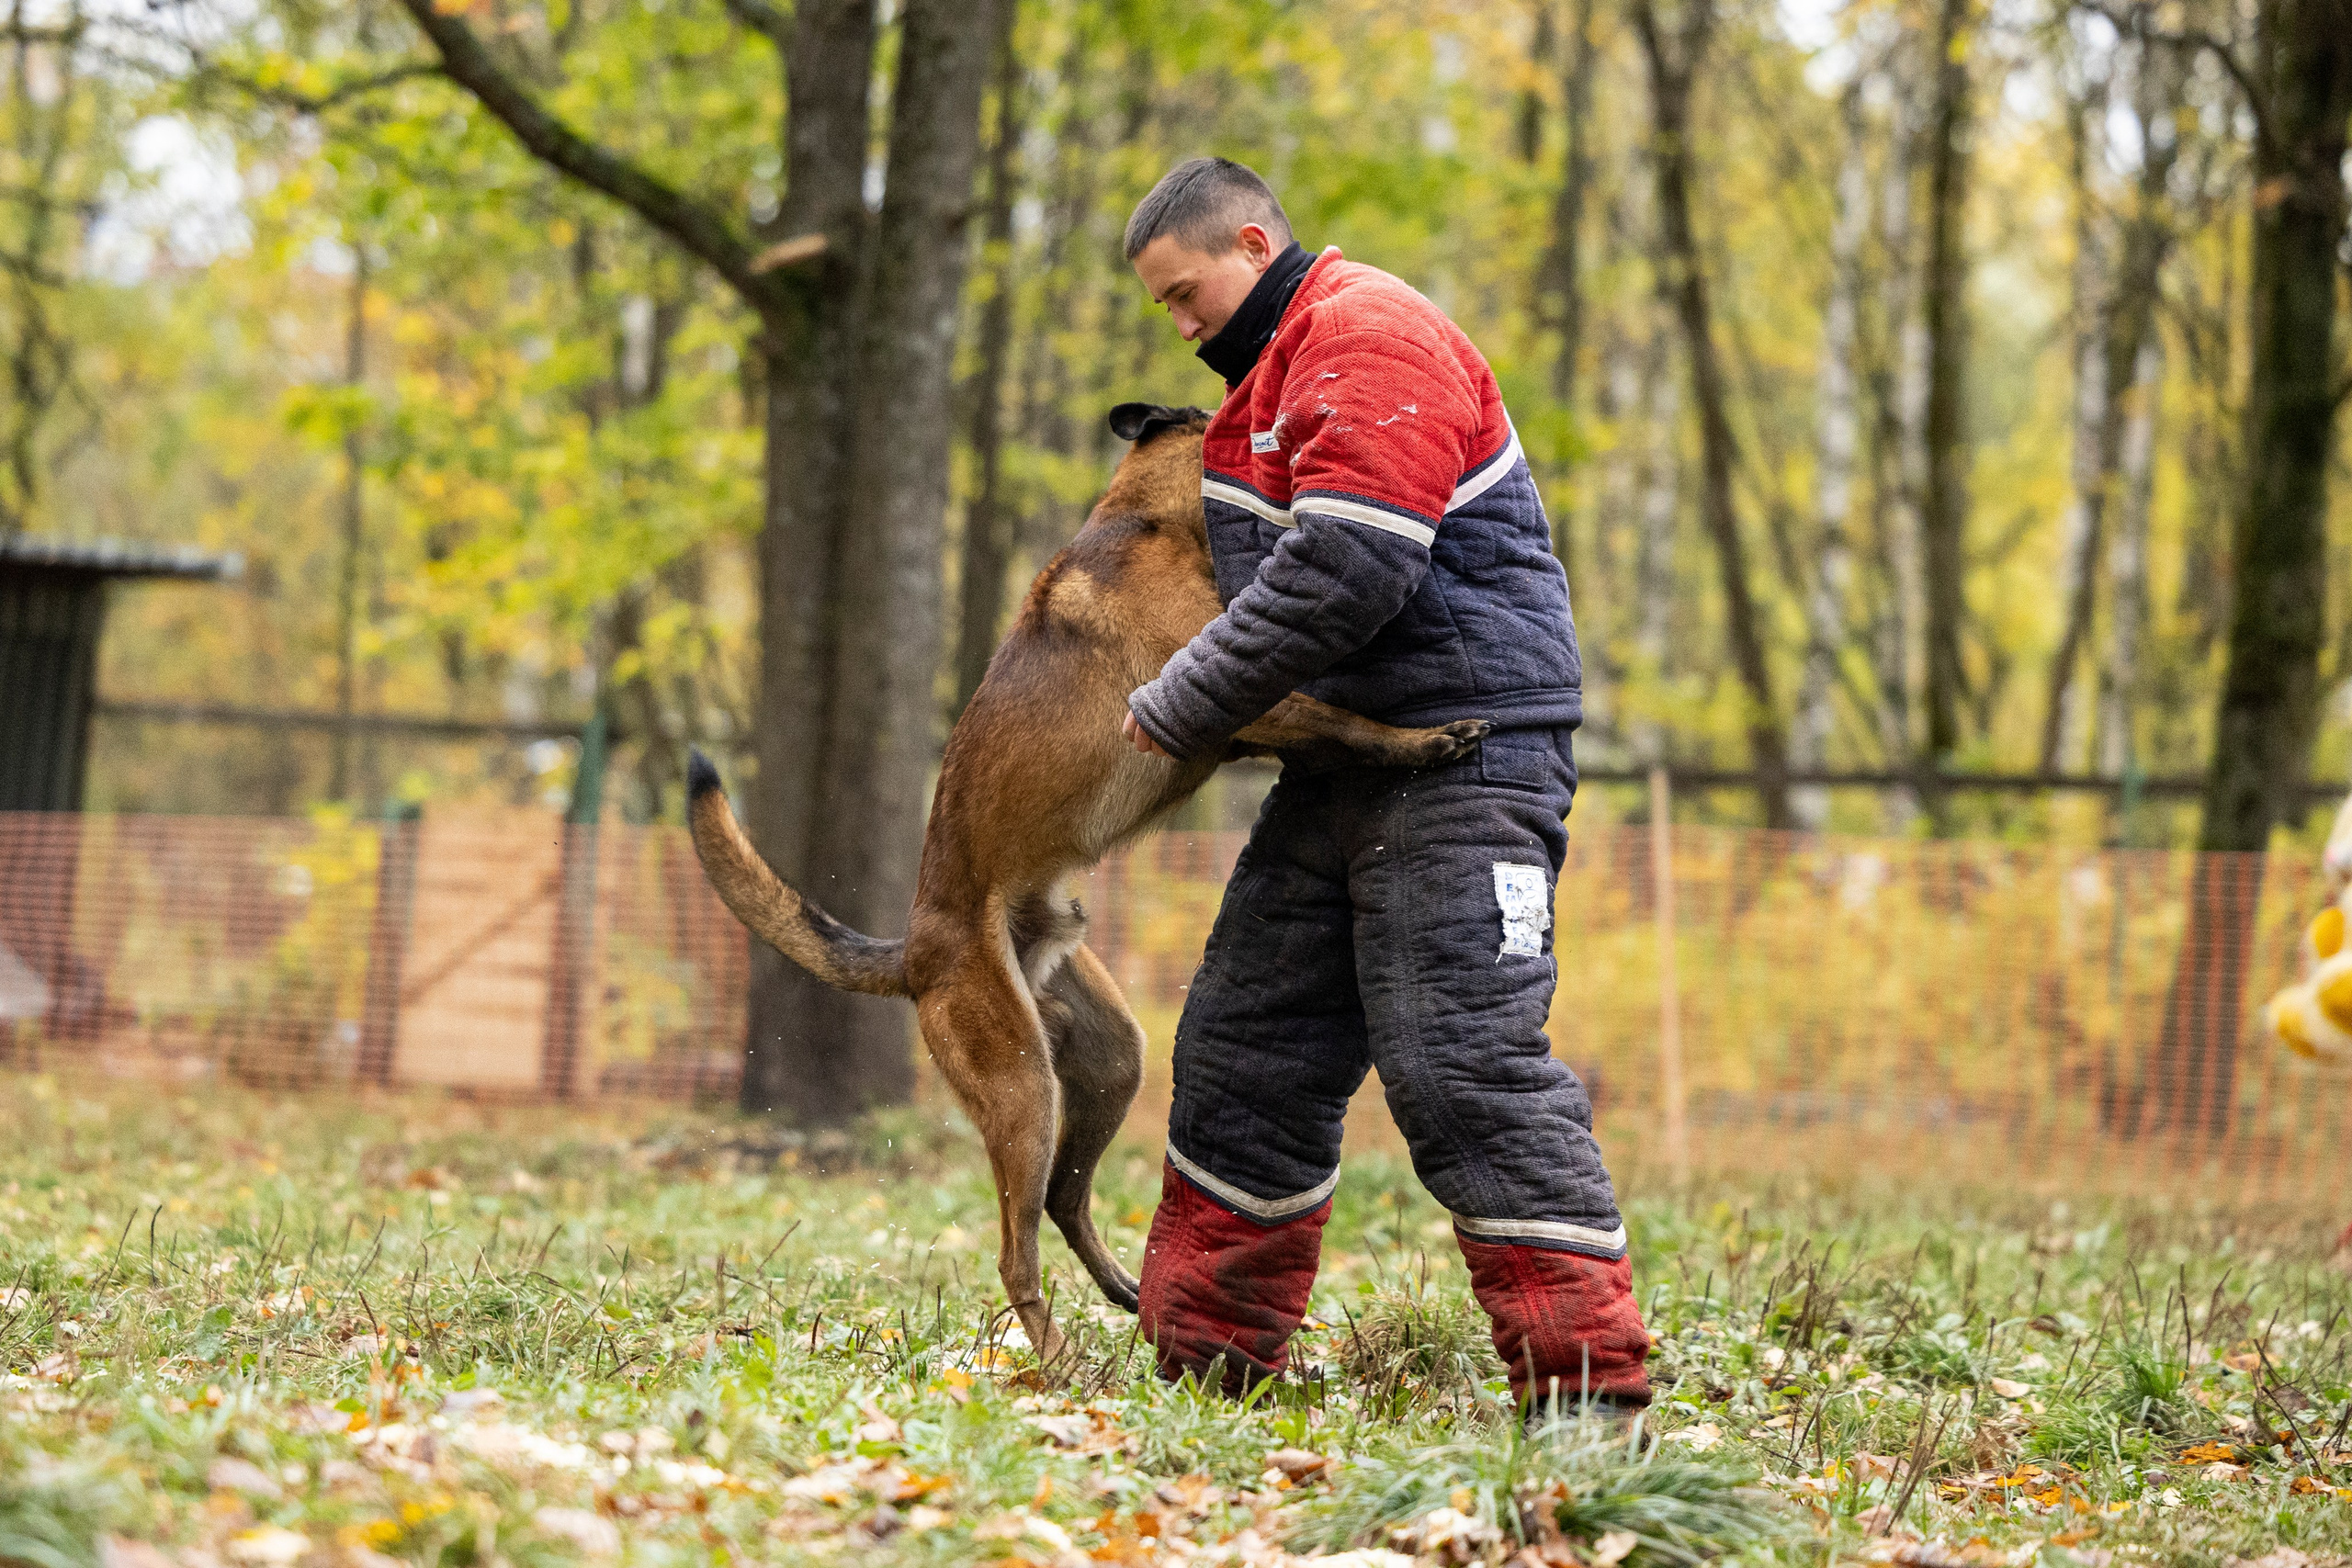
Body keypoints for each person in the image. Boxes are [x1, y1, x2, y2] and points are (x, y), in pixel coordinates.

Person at [1117, 156, 1651, 1417]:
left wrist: (1175, 710)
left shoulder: (1368, 333)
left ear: (1254, 242)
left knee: (1461, 1062)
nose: (1183, 329)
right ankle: (1206, 1376)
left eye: (1188, 296)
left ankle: (1590, 1407)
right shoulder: (1268, 387)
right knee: (1246, 1048)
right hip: (1348, 755)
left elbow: (1348, 572)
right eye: (1166, 313)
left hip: (1473, 751)